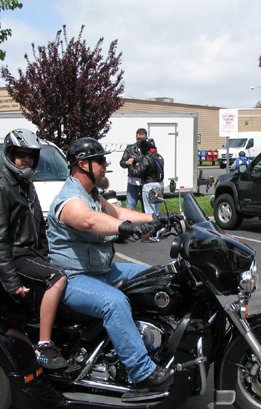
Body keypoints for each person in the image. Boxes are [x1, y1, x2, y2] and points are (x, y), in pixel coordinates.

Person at [46, 137, 175, 390]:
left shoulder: (92, 194)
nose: (106, 164)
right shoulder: (69, 200)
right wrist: (126, 229)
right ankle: (141, 371)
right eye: (100, 160)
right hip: (75, 278)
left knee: (156, 276)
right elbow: (89, 221)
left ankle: (151, 338)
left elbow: (118, 213)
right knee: (114, 302)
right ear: (83, 165)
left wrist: (159, 219)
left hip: (102, 271)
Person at [0, 129, 68, 370]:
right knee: (56, 278)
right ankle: (45, 346)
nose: (26, 160)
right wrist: (11, 281)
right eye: (21, 155)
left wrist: (47, 253)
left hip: (31, 253)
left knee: (69, 268)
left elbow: (39, 224)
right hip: (15, 256)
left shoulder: (25, 184)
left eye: (31, 156)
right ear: (10, 155)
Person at [127, 137, 164, 221]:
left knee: (150, 213)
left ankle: (152, 233)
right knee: (156, 212)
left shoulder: (146, 159)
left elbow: (137, 173)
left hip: (149, 186)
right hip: (159, 185)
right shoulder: (159, 157)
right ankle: (157, 232)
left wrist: (130, 165)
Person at [119, 128, 147, 211]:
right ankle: (129, 223)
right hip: (132, 181)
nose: (140, 140)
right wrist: (127, 162)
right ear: (136, 137)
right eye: (138, 138)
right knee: (130, 206)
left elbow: (152, 161)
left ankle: (147, 223)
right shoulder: (130, 148)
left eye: (142, 139)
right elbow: (122, 162)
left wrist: (137, 161)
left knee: (146, 207)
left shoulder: (148, 149)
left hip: (145, 182)